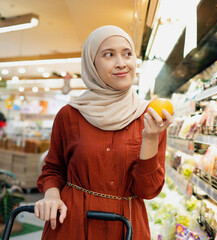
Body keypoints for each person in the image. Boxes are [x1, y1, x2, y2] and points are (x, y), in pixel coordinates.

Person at [35, 25, 173, 240]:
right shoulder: (69, 115)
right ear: (92, 63)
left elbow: (147, 190)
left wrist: (150, 138)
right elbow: (53, 169)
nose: (121, 63)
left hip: (125, 227)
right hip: (72, 224)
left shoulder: (151, 115)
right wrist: (51, 194)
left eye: (127, 54)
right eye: (108, 55)